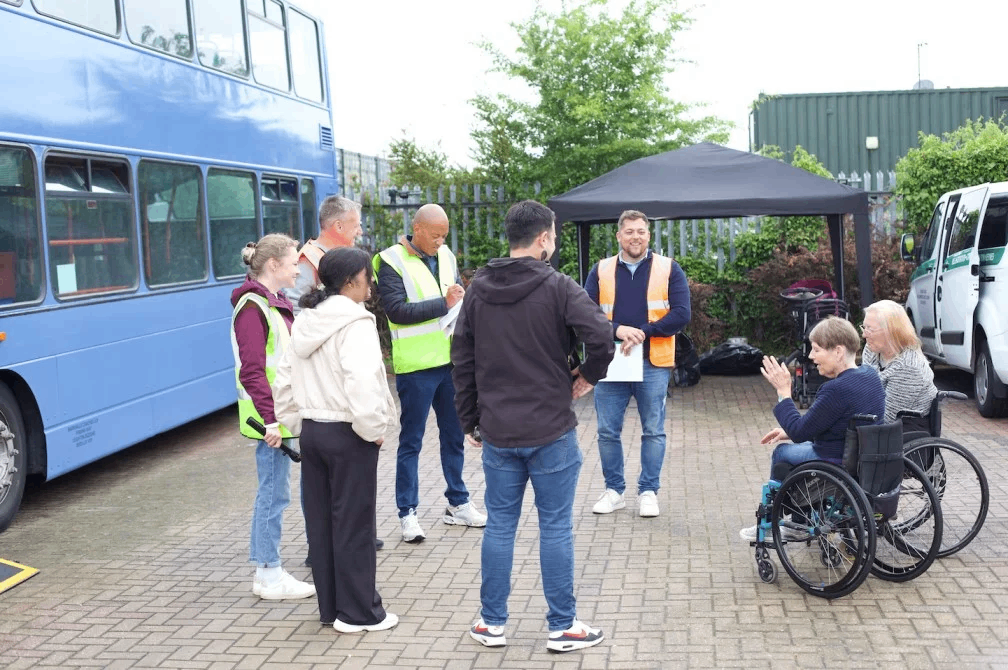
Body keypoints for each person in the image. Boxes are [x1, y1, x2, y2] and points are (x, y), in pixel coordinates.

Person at [452, 200, 615, 653]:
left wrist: (470, 418)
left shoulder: (477, 290)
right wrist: (586, 375)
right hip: (551, 430)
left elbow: (461, 359)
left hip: (499, 431)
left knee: (500, 526)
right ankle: (562, 627)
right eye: (555, 234)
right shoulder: (560, 287)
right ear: (543, 238)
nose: (556, 241)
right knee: (556, 527)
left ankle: (491, 624)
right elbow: (601, 336)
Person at [273, 247, 399, 633]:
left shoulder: (305, 321)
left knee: (324, 524)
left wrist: (292, 423)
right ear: (350, 281)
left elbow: (284, 378)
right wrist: (372, 428)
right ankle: (359, 613)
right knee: (355, 525)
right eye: (366, 276)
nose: (371, 283)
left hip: (314, 432)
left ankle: (332, 608)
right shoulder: (355, 324)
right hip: (348, 433)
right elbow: (360, 382)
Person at [373, 203, 486, 543]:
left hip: (449, 362)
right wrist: (445, 303)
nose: (440, 242)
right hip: (415, 367)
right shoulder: (389, 260)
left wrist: (458, 301)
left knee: (454, 437)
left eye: (444, 236)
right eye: (435, 235)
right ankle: (407, 513)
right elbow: (396, 311)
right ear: (417, 228)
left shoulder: (446, 255)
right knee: (411, 441)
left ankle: (458, 504)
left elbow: (452, 297)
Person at [584, 210, 691, 518]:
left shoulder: (669, 269)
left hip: (652, 363)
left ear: (649, 235)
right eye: (629, 231)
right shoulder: (601, 270)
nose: (635, 236)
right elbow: (585, 314)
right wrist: (615, 329)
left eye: (641, 231)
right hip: (610, 363)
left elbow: (682, 313)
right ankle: (614, 491)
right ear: (618, 236)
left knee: (653, 431)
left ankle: (648, 491)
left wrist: (644, 331)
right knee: (606, 431)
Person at [739, 316, 885, 541]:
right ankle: (804, 515)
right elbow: (831, 421)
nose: (810, 356)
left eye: (816, 350)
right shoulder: (870, 376)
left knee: (782, 453)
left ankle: (790, 522)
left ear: (837, 351)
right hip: (861, 458)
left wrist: (784, 392)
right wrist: (787, 430)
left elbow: (800, 433)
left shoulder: (835, 389)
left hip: (836, 460)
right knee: (791, 445)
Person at [229, 233, 315, 600]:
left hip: (279, 415)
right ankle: (268, 574)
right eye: (294, 261)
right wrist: (270, 421)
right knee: (272, 493)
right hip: (271, 420)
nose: (299, 267)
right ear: (273, 265)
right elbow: (252, 371)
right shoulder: (253, 307)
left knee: (275, 491)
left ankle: (270, 571)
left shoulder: (270, 303)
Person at [860, 300, 938, 433]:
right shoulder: (871, 349)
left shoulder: (909, 367)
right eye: (864, 327)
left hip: (901, 432)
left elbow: (887, 419)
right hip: (874, 423)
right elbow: (864, 389)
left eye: (870, 329)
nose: (864, 334)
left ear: (891, 331)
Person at [286, 196, 364, 314]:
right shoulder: (308, 260)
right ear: (339, 226)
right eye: (356, 226)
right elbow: (294, 308)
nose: (360, 232)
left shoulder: (343, 257)